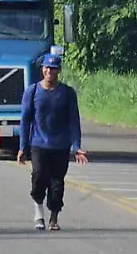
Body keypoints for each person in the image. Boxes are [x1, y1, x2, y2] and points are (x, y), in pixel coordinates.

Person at [18, 53, 87, 231]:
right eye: (47, 67)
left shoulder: (67, 93)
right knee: (39, 176)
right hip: (38, 143)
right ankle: (38, 211)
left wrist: (77, 146)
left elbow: (74, 120)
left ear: (59, 71)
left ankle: (53, 218)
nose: (50, 71)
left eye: (53, 68)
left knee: (57, 184)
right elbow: (25, 120)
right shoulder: (32, 91)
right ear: (42, 69)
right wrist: (22, 147)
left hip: (60, 145)